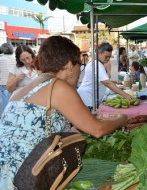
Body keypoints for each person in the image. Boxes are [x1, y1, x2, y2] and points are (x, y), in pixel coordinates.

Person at [0, 36, 128, 190]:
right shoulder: (58, 87)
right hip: (29, 179)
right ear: (69, 65)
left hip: (7, 176)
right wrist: (121, 119)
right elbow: (98, 130)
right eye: (79, 65)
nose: (80, 71)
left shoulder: (20, 93)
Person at [77, 42, 132, 110]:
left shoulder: (99, 64)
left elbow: (106, 79)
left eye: (109, 57)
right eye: (106, 56)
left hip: (90, 99)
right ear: (99, 53)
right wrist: (125, 95)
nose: (108, 59)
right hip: (87, 100)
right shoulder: (96, 65)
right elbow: (107, 83)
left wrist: (108, 69)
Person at [0, 43, 15, 115]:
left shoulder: (0, 59)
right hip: (13, 81)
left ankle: (5, 114)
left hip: (3, 82)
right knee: (12, 97)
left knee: (4, 99)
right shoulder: (15, 58)